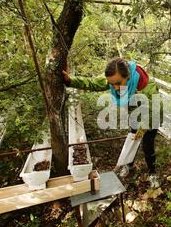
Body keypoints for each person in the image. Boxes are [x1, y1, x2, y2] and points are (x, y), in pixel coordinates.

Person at [62, 57, 160, 188]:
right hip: (134, 116)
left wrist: (143, 128)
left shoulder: (147, 86)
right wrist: (70, 81)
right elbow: (93, 83)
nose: (115, 87)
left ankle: (152, 173)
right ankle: (129, 165)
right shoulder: (115, 77)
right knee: (131, 141)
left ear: (128, 76)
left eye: (118, 83)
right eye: (111, 84)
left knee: (147, 146)